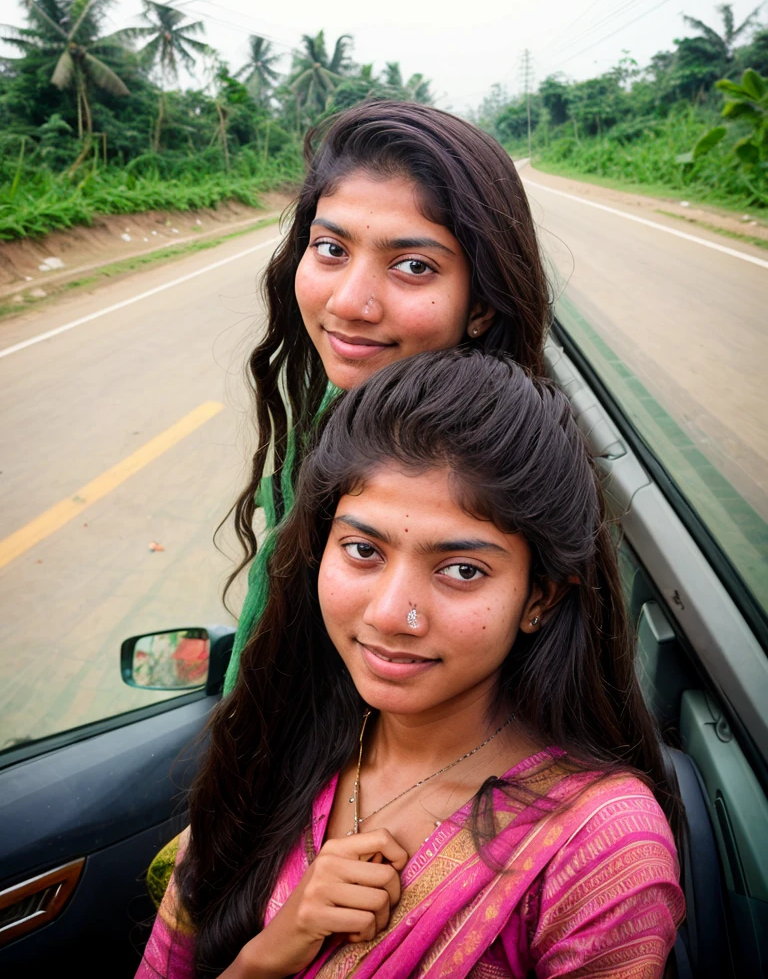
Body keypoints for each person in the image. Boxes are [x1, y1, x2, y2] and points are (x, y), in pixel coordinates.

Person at [138, 350, 684, 979]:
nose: (394, 614)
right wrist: (266, 956)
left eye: (462, 570)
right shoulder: (274, 745)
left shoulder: (600, 849)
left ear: (540, 596)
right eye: (363, 550)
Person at [223, 99, 552, 697]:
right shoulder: (339, 403)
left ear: (480, 304)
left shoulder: (490, 470)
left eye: (413, 266)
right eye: (331, 249)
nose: (350, 302)